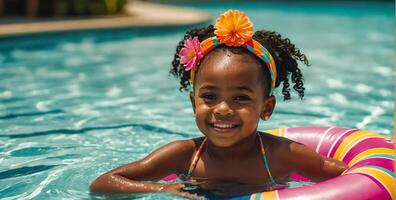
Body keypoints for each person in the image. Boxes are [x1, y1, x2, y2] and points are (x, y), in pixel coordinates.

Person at [90, 10, 348, 199]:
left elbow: (354, 177)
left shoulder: (282, 156)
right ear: (194, 102)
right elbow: (104, 182)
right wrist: (160, 188)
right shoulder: (184, 156)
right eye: (209, 97)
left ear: (266, 108)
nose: (223, 109)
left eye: (240, 98)